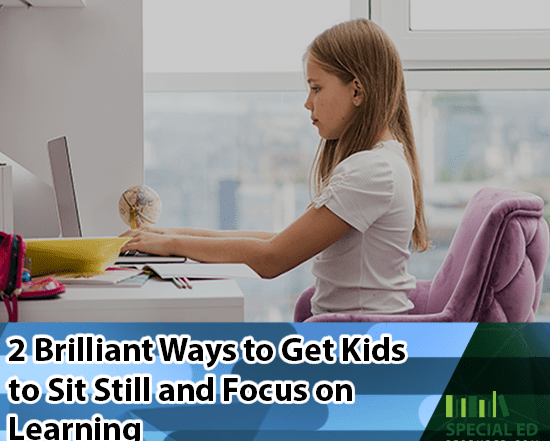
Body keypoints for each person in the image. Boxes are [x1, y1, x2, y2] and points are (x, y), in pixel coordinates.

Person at [120, 19, 430, 315]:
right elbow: (277, 241)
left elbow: (272, 259)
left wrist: (173, 244)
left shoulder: (373, 170)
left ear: (357, 91)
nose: (308, 102)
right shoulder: (379, 163)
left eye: (316, 88)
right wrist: (172, 235)